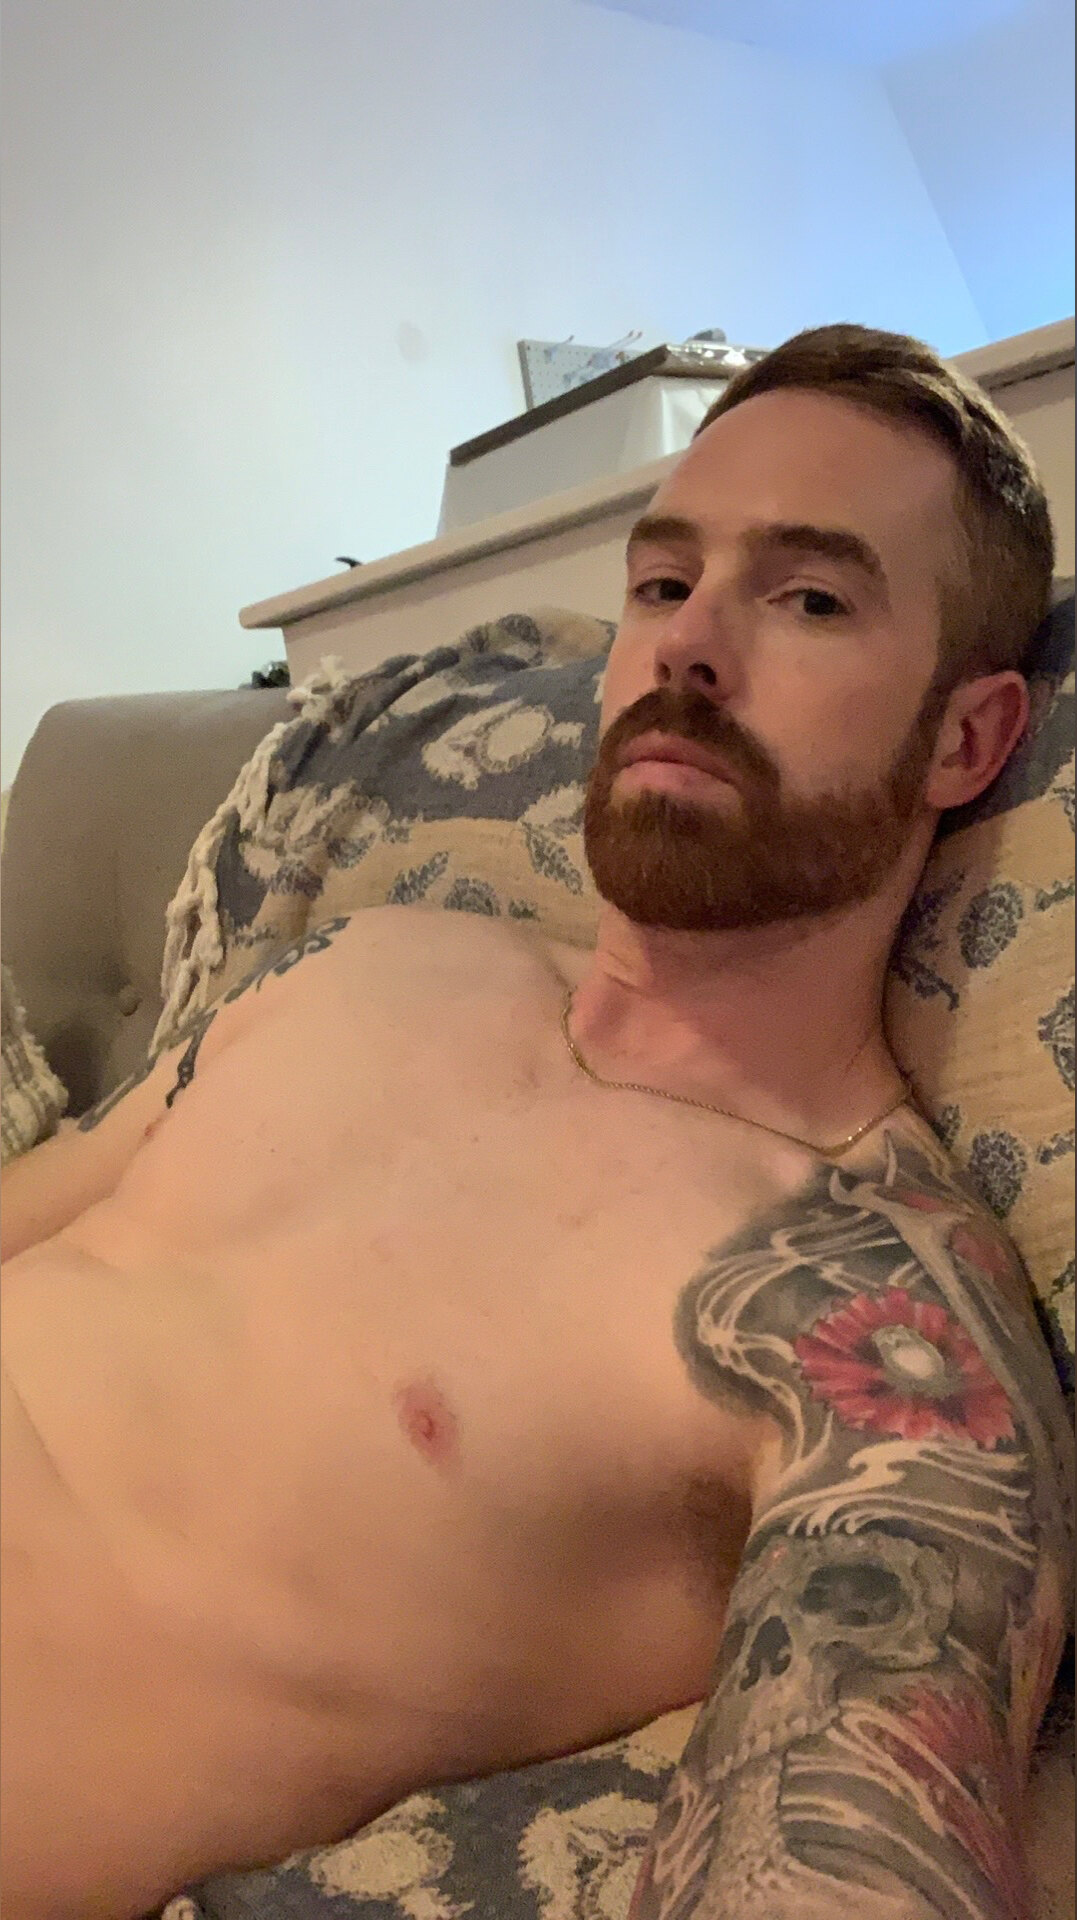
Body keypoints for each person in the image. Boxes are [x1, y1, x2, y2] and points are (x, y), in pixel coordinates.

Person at [1, 323, 1071, 1920]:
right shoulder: (368, 956)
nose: (687, 645)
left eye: (809, 598)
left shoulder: (869, 1327)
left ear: (966, 738)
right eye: (662, 582)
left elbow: (854, 1830)